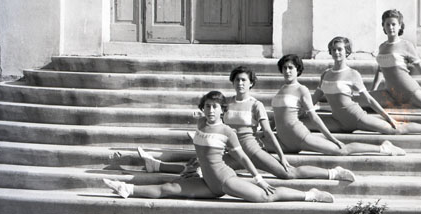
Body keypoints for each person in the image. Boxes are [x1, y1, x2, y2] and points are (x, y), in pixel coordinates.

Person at [103, 91, 334, 203]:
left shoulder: (227, 131)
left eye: (215, 107)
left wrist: (259, 179)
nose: (211, 110)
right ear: (202, 108)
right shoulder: (200, 124)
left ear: (222, 110)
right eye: (207, 106)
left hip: (225, 180)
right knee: (168, 188)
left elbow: (243, 158)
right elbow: (202, 150)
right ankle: (126, 188)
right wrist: (192, 166)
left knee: (265, 197)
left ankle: (309, 195)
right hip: (208, 183)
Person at [136, 66, 355, 182]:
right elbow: (214, 124)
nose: (240, 83)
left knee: (288, 174)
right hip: (232, 151)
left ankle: (332, 173)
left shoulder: (256, 105)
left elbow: (268, 132)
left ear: (251, 84)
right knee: (202, 169)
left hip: (251, 150)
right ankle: (156, 165)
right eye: (237, 80)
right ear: (232, 83)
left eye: (244, 80)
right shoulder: (225, 103)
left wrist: (281, 157)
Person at [312, 36, 421, 135]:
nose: (336, 52)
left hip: (357, 118)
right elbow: (315, 98)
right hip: (337, 121)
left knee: (396, 129)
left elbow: (369, 100)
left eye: (340, 49)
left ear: (347, 52)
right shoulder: (325, 74)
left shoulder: (353, 74)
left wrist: (388, 117)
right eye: (334, 50)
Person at [269, 54, 406, 156]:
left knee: (342, 150)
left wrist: (332, 138)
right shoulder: (281, 90)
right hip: (284, 140)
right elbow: (278, 116)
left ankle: (383, 148)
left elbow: (315, 118)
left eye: (291, 68)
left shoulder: (301, 89)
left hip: (301, 136)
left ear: (297, 70)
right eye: (284, 68)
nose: (287, 71)